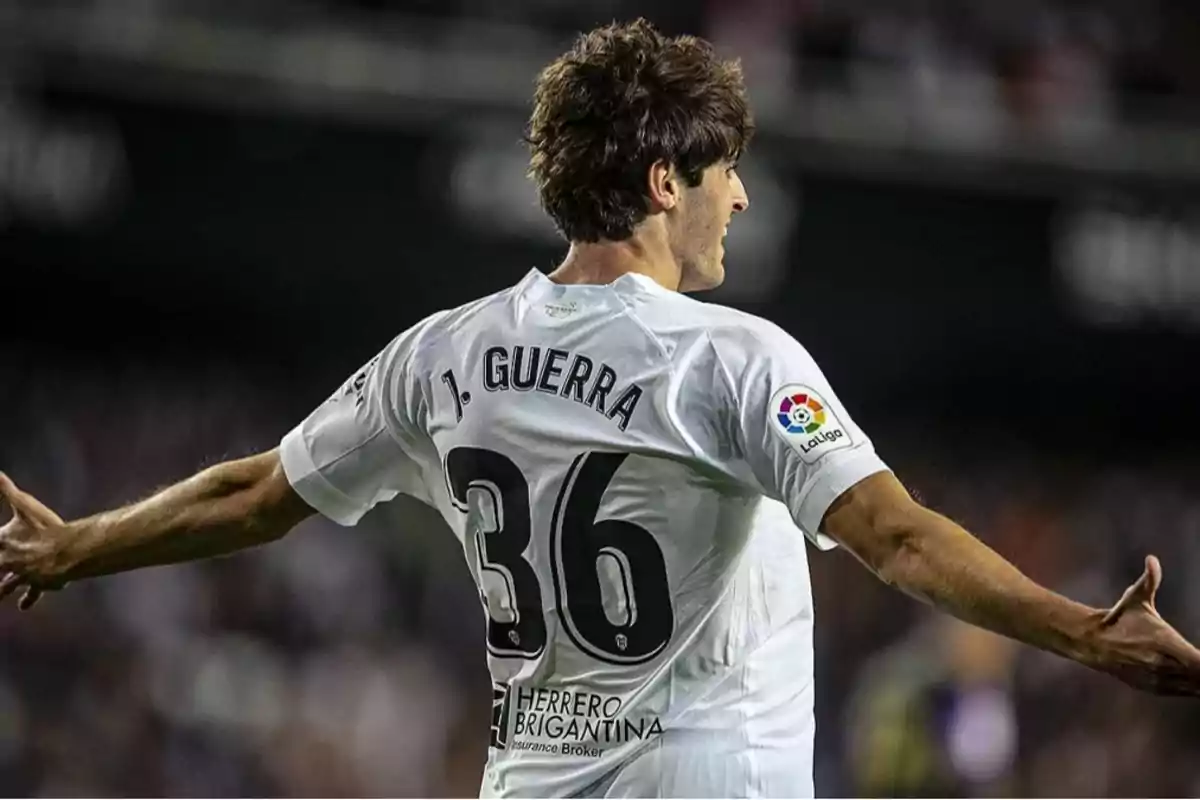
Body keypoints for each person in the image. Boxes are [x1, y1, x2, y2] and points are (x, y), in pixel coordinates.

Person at [2, 18, 1198, 799]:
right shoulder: (730, 359)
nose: (739, 199)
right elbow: (894, 535)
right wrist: (1084, 632)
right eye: (727, 169)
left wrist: (75, 544)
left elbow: (257, 492)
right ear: (665, 180)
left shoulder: (440, 356)